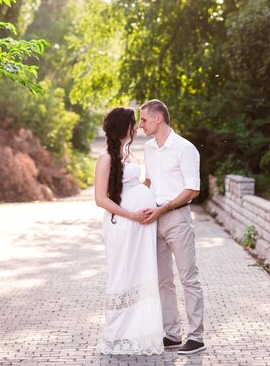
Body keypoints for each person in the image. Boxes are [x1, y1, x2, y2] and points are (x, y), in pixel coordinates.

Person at [94, 107, 164, 356]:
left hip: (139, 226)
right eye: (134, 123)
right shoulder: (106, 158)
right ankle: (116, 336)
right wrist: (132, 214)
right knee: (123, 275)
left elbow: (128, 186)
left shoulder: (126, 153)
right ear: (124, 127)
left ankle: (137, 333)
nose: (136, 127)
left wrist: (145, 187)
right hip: (123, 224)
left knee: (140, 275)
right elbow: (101, 199)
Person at [139, 99, 205, 355]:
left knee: (189, 277)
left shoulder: (185, 148)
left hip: (177, 218)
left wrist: (163, 209)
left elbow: (193, 190)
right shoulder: (148, 149)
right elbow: (149, 180)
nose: (140, 125)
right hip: (153, 220)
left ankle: (197, 337)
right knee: (163, 280)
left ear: (158, 119)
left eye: (143, 119)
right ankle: (172, 334)